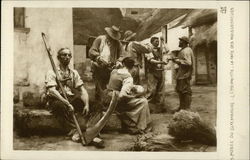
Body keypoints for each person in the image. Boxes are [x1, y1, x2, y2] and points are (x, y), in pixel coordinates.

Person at [45, 48, 103, 146]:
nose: (67, 57)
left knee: (97, 105)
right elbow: (52, 91)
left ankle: (91, 130)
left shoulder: (73, 73)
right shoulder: (52, 72)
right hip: (57, 99)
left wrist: (87, 104)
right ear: (59, 58)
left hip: (69, 97)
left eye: (69, 55)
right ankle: (75, 130)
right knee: (60, 107)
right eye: (64, 55)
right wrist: (67, 103)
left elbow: (82, 90)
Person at [102, 57, 152, 134]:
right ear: (132, 68)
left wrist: (132, 88)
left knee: (138, 98)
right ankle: (141, 126)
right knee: (143, 101)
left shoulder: (114, 71)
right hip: (116, 101)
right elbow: (122, 96)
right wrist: (134, 96)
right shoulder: (128, 77)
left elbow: (116, 85)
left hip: (107, 96)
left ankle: (134, 124)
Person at [89, 25, 124, 100]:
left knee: (109, 86)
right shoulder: (100, 39)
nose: (112, 39)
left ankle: (108, 102)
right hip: (98, 66)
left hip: (110, 68)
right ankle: (98, 103)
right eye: (111, 36)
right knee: (99, 86)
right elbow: (92, 51)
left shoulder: (117, 43)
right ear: (108, 34)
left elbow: (122, 54)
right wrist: (98, 57)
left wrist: (119, 61)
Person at [172, 36, 194, 111]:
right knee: (180, 91)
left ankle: (187, 108)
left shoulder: (186, 50)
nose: (179, 42)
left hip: (184, 75)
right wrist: (176, 59)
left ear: (184, 42)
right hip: (181, 74)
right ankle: (182, 107)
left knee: (185, 91)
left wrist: (178, 61)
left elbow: (188, 63)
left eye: (180, 41)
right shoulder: (183, 50)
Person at [145, 37, 169, 103]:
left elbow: (167, 50)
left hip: (159, 71)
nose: (158, 43)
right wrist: (161, 62)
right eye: (156, 41)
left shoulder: (159, 49)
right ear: (152, 42)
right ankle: (147, 104)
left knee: (160, 89)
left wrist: (163, 41)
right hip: (152, 71)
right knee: (152, 90)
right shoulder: (148, 49)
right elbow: (151, 60)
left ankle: (158, 105)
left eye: (158, 41)